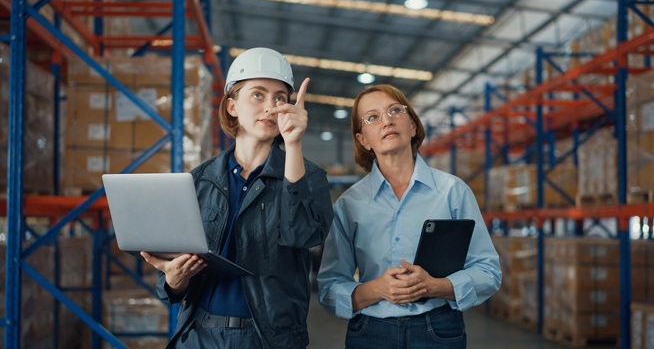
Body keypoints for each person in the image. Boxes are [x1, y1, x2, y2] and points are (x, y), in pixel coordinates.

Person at [141, 47, 334, 348]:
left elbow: (303, 234)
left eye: (279, 98)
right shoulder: (199, 182)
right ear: (232, 106)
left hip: (267, 339)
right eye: (258, 94)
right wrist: (174, 279)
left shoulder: (309, 176)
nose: (270, 107)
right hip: (199, 335)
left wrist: (294, 145)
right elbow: (170, 284)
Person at [317, 84, 501, 349]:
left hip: (438, 330)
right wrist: (378, 288)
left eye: (395, 110)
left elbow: (488, 271)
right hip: (370, 333)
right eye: (373, 117)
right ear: (363, 140)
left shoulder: (452, 192)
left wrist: (435, 286)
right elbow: (330, 288)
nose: (387, 121)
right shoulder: (349, 204)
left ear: (413, 125)